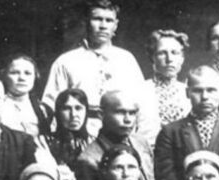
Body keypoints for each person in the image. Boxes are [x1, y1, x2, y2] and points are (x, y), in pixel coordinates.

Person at [41, 0, 155, 142]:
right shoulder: (66, 61)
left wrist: (141, 141)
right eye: (97, 19)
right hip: (79, 135)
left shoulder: (126, 60)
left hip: (121, 135)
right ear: (86, 22)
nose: (103, 26)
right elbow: (51, 106)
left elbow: (142, 105)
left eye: (109, 20)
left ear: (115, 25)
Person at [76, 89, 155, 180]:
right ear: (101, 114)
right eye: (120, 112)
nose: (128, 120)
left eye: (132, 113)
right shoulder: (89, 159)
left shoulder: (141, 142)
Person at [48, 88, 95, 180]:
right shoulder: (45, 142)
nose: (73, 115)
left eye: (78, 108)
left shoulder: (94, 143)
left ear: (86, 111)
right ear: (58, 112)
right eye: (66, 108)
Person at [143, 29, 191, 128]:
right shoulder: (140, 91)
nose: (169, 59)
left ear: (182, 58)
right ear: (153, 57)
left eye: (175, 53)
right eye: (162, 53)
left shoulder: (189, 92)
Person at [0, 53, 53, 138]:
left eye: (27, 73)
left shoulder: (43, 109)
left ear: (35, 76)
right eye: (14, 73)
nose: (22, 78)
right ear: (5, 75)